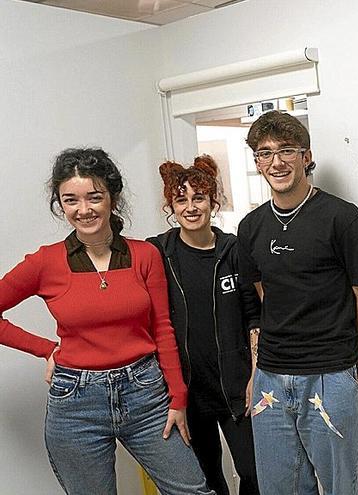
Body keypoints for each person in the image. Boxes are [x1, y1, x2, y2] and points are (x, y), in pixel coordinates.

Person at [0, 148, 214, 495]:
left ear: (112, 199)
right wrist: (47, 349)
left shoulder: (145, 255)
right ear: (60, 204)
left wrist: (178, 397)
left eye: (94, 197)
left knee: (193, 491)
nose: (83, 210)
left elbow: (162, 327)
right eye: (71, 200)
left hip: (146, 395)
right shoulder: (46, 262)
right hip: (75, 403)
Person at [237, 111, 358, 495]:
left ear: (306, 156)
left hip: (329, 375)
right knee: (278, 488)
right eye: (265, 153)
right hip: (270, 377)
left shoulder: (342, 218)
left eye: (287, 150)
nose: (276, 162)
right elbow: (265, 295)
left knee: (338, 487)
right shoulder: (250, 227)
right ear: (256, 162)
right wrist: (257, 368)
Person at [147, 155, 261, 495]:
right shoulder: (159, 252)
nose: (191, 207)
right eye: (181, 199)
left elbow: (254, 316)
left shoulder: (234, 249)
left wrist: (256, 374)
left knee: (253, 471)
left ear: (213, 201)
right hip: (186, 392)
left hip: (236, 387)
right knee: (207, 476)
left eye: (198, 198)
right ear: (171, 205)